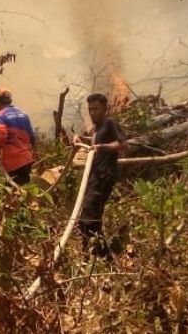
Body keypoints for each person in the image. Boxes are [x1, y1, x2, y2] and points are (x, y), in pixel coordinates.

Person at [74, 92, 128, 259]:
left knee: (89, 220)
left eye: (96, 109)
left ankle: (105, 259)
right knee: (84, 221)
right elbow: (93, 142)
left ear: (105, 108)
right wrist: (79, 138)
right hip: (94, 178)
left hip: (104, 177)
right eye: (90, 109)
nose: (92, 113)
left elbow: (122, 144)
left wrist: (102, 147)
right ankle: (88, 256)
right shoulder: (97, 128)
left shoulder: (110, 123)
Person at [0, 87, 37, 185]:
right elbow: (32, 138)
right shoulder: (24, 114)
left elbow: (2, 136)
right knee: (25, 191)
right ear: (10, 100)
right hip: (27, 161)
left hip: (11, 163)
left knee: (11, 193)